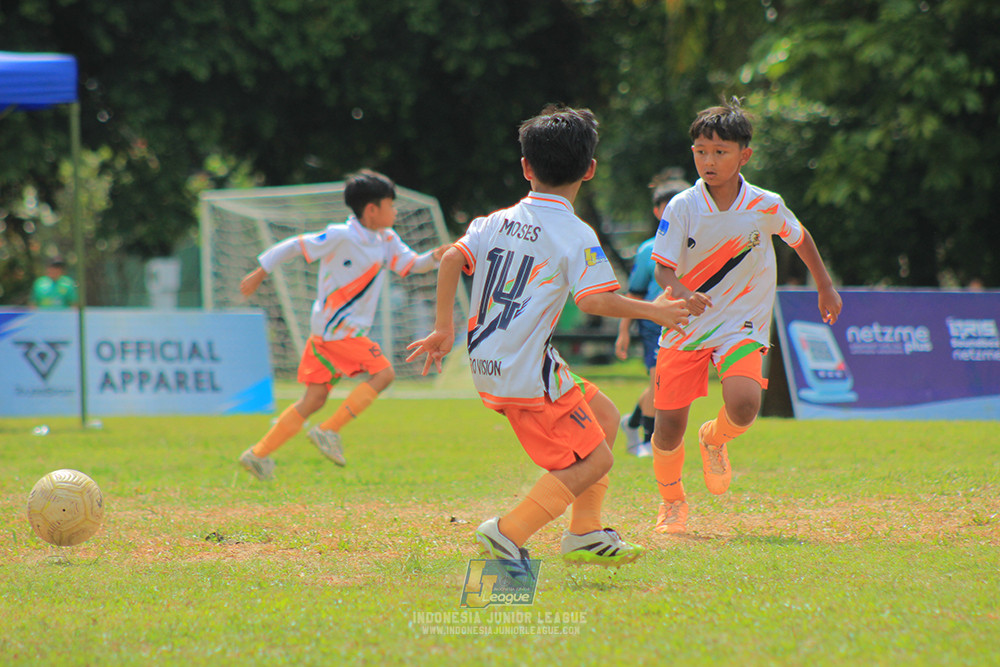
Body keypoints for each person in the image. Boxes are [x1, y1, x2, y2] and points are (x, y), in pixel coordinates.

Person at [407, 105, 689, 573]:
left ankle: (585, 532)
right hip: (526, 372)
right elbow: (595, 300)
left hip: (496, 362)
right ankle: (509, 530)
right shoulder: (574, 232)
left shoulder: (491, 221)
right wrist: (654, 311)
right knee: (594, 461)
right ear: (590, 170)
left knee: (604, 416)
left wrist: (443, 328)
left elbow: (451, 259)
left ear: (526, 167)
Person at [649, 98, 842, 534]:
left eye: (720, 152)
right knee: (667, 430)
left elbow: (799, 237)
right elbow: (662, 268)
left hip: (740, 324)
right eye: (701, 151)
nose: (709, 161)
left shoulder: (765, 204)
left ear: (744, 155)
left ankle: (713, 439)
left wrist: (824, 285)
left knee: (744, 404)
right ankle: (672, 502)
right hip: (684, 325)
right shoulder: (682, 206)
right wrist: (683, 292)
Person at [238, 169, 448, 481]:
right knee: (385, 374)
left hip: (328, 333)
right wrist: (260, 271)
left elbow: (412, 264)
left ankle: (257, 454)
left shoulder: (387, 240)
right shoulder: (341, 235)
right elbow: (295, 245)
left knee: (314, 399)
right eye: (391, 205)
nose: (395, 211)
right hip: (338, 331)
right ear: (372, 210)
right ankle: (328, 430)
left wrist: (434, 256)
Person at [615, 171, 690, 457]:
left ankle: (632, 422)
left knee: (667, 384)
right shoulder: (648, 250)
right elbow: (633, 295)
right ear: (657, 212)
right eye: (667, 208)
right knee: (659, 381)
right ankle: (649, 440)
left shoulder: (700, 246)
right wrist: (623, 332)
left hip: (686, 322)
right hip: (653, 324)